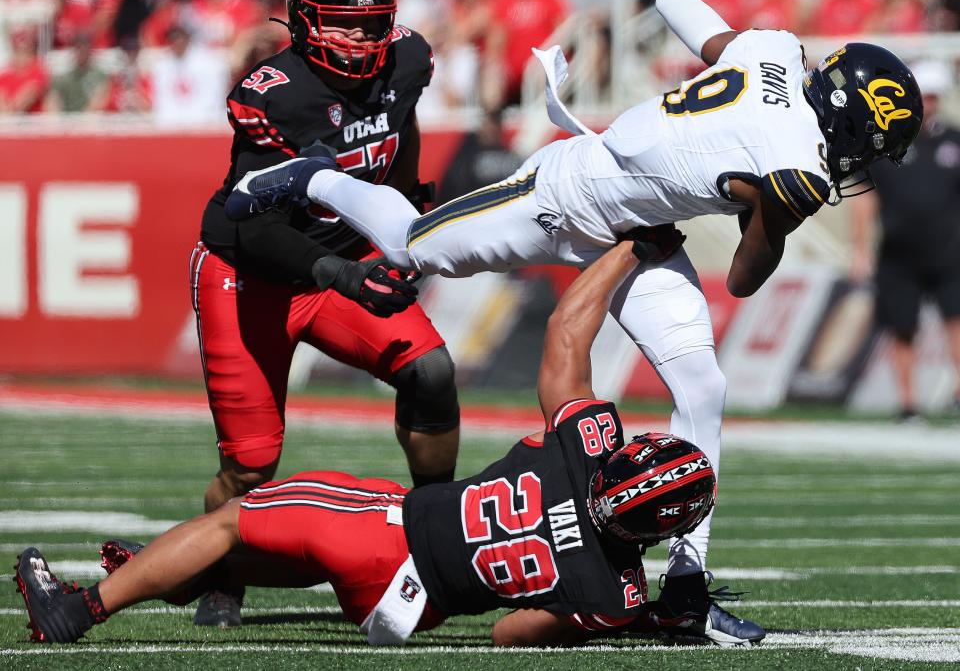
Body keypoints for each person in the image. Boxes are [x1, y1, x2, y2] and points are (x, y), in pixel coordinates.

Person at [225, 0, 924, 644]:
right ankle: (315, 179)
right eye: (869, 145)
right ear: (848, 121)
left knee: (703, 383)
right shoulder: (794, 167)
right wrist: (780, 211)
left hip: (640, 229)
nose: (862, 164)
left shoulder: (773, 50)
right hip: (572, 192)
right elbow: (747, 274)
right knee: (412, 241)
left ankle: (688, 587)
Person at [14, 242, 729, 647]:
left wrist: (636, 244)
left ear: (630, 458)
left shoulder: (587, 445)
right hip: (421, 607)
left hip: (389, 534)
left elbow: (567, 330)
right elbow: (509, 632)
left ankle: (77, 609)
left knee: (235, 515)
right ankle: (179, 574)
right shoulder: (620, 590)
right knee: (253, 549)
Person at [190, 0, 459, 627]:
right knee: (252, 465)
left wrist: (407, 211)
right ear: (307, 19)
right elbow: (252, 226)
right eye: (347, 22)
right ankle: (220, 562)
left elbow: (401, 131)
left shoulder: (407, 62)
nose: (365, 38)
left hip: (341, 266)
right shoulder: (273, 95)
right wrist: (343, 270)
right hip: (249, 276)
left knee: (431, 371)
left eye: (374, 23)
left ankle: (435, 541)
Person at [850, 59, 960, 420]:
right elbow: (866, 199)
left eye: (933, 96)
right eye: (923, 96)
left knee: (956, 322)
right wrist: (860, 248)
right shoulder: (885, 144)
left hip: (949, 250)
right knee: (902, 328)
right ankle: (908, 404)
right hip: (898, 253)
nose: (929, 103)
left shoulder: (954, 141)